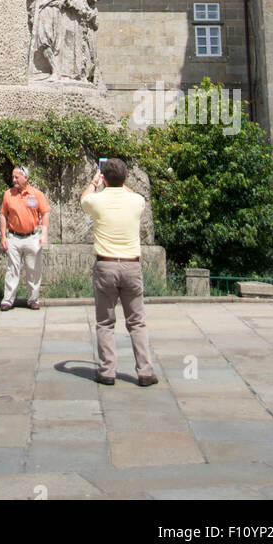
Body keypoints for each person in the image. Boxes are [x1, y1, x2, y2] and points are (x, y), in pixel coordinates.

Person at [80, 158, 158, 386]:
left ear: (104, 177)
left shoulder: (97, 200)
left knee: (105, 322)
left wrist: (95, 183)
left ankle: (107, 371)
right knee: (137, 322)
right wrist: (119, 183)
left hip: (106, 265)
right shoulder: (135, 201)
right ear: (124, 179)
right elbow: (135, 195)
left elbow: (83, 199)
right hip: (131, 265)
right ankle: (145, 371)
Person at [0, 166, 50, 311]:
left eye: (17, 177)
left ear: (25, 178)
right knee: (12, 269)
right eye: (13, 177)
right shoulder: (8, 194)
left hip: (32, 237)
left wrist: (44, 234)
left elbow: (45, 213)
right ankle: (8, 300)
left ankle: (33, 300)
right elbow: (3, 215)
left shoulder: (36, 194)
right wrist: (3, 236)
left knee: (33, 270)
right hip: (14, 237)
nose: (13, 180)